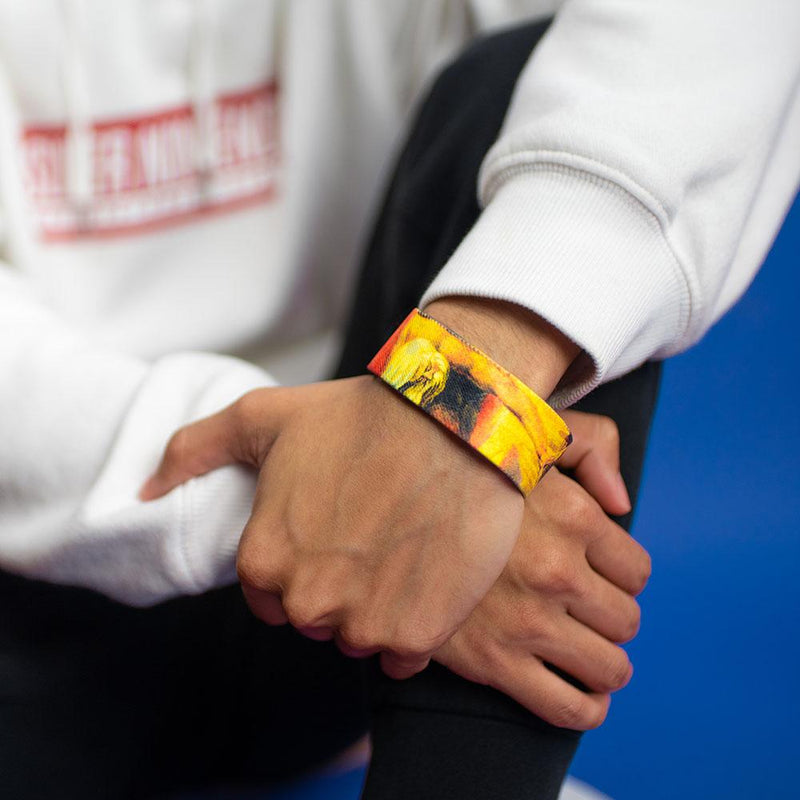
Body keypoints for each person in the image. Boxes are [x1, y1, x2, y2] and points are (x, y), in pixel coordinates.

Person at [1, 2, 798, 798]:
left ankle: (460, 779)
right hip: (31, 620)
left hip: (358, 638)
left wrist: (465, 393)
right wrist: (344, 495)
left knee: (545, 97)